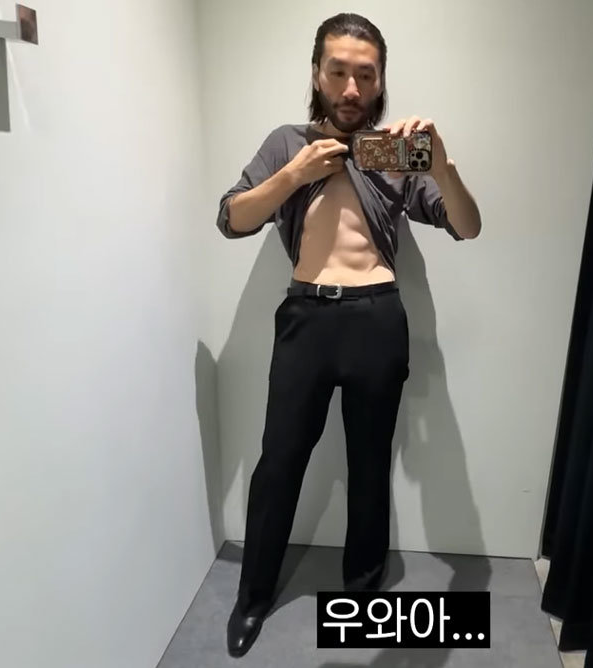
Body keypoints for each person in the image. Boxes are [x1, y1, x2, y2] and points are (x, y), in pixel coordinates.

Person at [215, 11, 481, 658]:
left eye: (366, 74)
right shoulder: (288, 142)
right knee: (279, 462)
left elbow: (467, 226)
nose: (352, 88)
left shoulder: (394, 150)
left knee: (369, 463)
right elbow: (231, 218)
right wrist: (294, 174)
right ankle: (253, 597)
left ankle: (361, 596)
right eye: (338, 72)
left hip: (376, 318)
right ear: (317, 74)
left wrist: (442, 163)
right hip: (305, 318)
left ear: (381, 79)